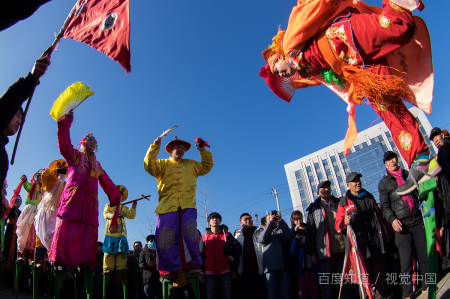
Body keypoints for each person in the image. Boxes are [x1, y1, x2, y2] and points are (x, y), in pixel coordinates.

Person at [259, 0, 440, 184]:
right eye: (278, 75)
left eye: (277, 69)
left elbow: (311, 10)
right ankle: (420, 159)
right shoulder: (304, 66)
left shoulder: (290, 44)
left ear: (280, 54)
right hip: (357, 64)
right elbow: (313, 78)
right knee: (386, 106)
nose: (281, 75)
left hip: (348, 34)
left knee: (399, 27)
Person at [49, 110, 122, 272]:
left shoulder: (97, 166)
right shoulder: (74, 156)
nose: (92, 141)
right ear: (82, 142)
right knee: (66, 234)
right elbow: (64, 144)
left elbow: (107, 183)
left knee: (87, 237)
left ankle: (85, 263)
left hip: (89, 209)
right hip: (72, 203)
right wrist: (65, 123)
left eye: (94, 140)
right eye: (88, 139)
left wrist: (115, 196)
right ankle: (60, 262)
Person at [143, 135, 213, 279]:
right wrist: (154, 147)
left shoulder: (192, 164)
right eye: (177, 147)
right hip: (167, 207)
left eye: (183, 148)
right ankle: (167, 269)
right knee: (165, 236)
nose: (180, 150)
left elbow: (206, 167)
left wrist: (202, 151)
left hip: (188, 205)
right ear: (170, 150)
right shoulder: (162, 164)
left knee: (190, 234)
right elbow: (148, 166)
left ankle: (192, 265)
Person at [379, 151, 429, 298]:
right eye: (389, 160)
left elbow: (421, 190)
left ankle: (428, 285)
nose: (392, 161)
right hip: (401, 226)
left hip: (417, 220)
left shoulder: (408, 175)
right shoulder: (384, 183)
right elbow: (385, 207)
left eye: (393, 158)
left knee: (424, 256)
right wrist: (392, 220)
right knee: (406, 262)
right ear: (386, 164)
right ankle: (407, 293)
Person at [0, 54, 51, 192]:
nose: (19, 122)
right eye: (17, 115)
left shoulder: (3, 156)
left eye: (22, 119)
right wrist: (31, 79)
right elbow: (8, 103)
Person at [336, 172, 389, 299]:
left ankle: (382, 297)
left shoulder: (369, 197)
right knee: (364, 278)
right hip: (360, 247)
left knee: (380, 274)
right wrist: (345, 222)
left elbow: (380, 217)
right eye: (354, 181)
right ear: (348, 185)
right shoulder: (344, 203)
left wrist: (386, 233)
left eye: (359, 179)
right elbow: (338, 226)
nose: (358, 182)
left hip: (375, 242)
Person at [305, 181, 345, 299]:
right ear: (318, 192)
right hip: (325, 254)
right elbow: (310, 233)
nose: (326, 190)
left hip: (343, 250)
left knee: (343, 283)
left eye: (328, 187)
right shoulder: (314, 209)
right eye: (323, 188)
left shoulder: (340, 204)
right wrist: (312, 253)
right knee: (327, 285)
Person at [200, 212, 241, 299]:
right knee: (210, 296)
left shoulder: (227, 235)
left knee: (227, 296)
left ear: (220, 221)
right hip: (209, 273)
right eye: (212, 218)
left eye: (217, 218)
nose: (215, 220)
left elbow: (238, 248)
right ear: (209, 222)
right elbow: (201, 255)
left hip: (225, 272)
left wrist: (231, 258)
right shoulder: (204, 237)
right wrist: (202, 272)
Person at [257, 213, 294, 299]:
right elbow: (262, 240)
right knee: (272, 295)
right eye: (270, 219)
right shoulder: (262, 233)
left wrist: (281, 221)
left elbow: (290, 237)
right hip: (270, 269)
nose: (273, 219)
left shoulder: (282, 231)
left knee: (286, 294)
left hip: (284, 267)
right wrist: (270, 224)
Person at [103, 185, 137, 273]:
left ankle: (121, 267)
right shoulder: (109, 205)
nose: (119, 196)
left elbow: (131, 215)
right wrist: (111, 216)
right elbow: (105, 213)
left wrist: (133, 206)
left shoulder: (124, 207)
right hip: (111, 230)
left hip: (121, 230)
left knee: (121, 249)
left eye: (120, 195)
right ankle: (108, 267)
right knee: (109, 248)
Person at [430, 127, 450, 266]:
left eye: (437, 137)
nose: (436, 141)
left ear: (443, 135)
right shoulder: (439, 157)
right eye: (434, 140)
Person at [235, 213, 266, 299]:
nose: (248, 220)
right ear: (241, 223)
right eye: (245, 219)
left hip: (259, 270)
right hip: (244, 272)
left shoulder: (260, 232)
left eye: (250, 219)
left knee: (262, 295)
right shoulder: (237, 235)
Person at [16, 170, 43, 261]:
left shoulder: (43, 190)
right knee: (25, 230)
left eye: (41, 177)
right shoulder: (32, 186)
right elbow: (27, 186)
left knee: (34, 232)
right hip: (29, 210)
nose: (40, 178)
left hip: (37, 212)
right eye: (39, 176)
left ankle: (31, 255)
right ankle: (21, 252)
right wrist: (25, 179)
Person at [290, 230, 319, 299]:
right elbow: (292, 252)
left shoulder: (311, 246)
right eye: (299, 240)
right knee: (302, 295)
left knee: (315, 294)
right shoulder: (298, 247)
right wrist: (295, 240)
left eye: (302, 238)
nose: (301, 241)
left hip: (312, 273)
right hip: (301, 274)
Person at [140, 235, 161, 299]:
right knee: (149, 297)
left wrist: (157, 262)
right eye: (151, 241)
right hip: (148, 280)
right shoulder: (143, 252)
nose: (153, 242)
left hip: (159, 280)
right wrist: (147, 265)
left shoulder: (159, 251)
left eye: (154, 241)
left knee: (160, 296)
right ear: (147, 242)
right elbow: (140, 264)